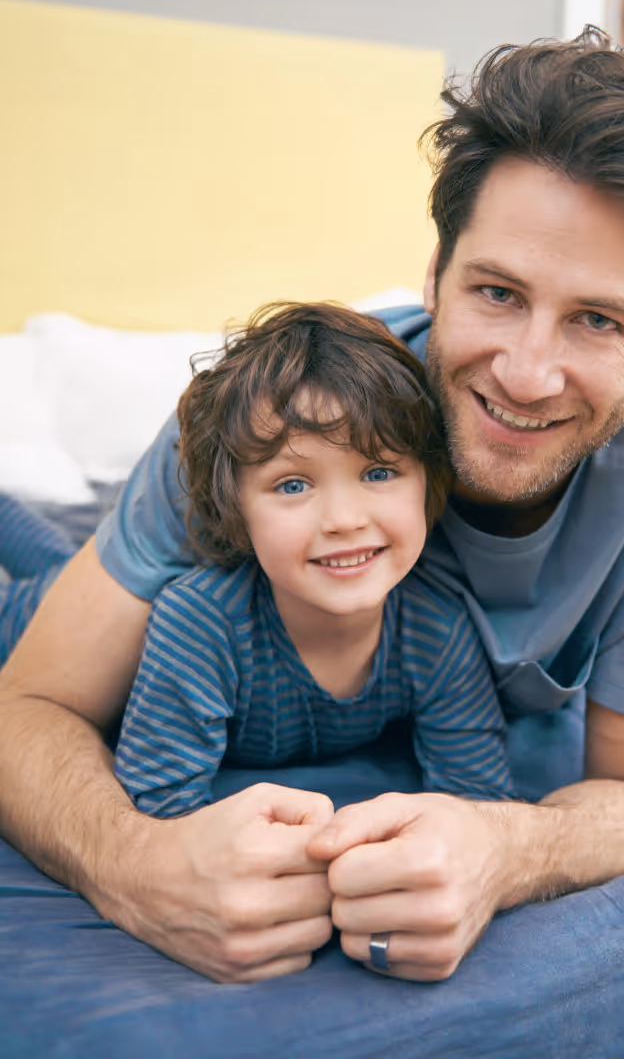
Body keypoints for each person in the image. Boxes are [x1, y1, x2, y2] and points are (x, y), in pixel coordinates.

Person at [0, 28, 624, 985]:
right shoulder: (283, 415)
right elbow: (27, 704)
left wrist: (505, 848)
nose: (527, 374)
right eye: (496, 292)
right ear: (436, 272)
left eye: (598, 320)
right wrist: (131, 863)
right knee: (34, 582)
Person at [0, 305, 513, 819]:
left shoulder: (438, 629)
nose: (344, 519)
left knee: (57, 555)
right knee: (44, 584)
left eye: (378, 473)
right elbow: (161, 809)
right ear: (236, 512)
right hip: (27, 618)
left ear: (428, 482)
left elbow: (476, 806)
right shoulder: (202, 623)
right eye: (293, 484)